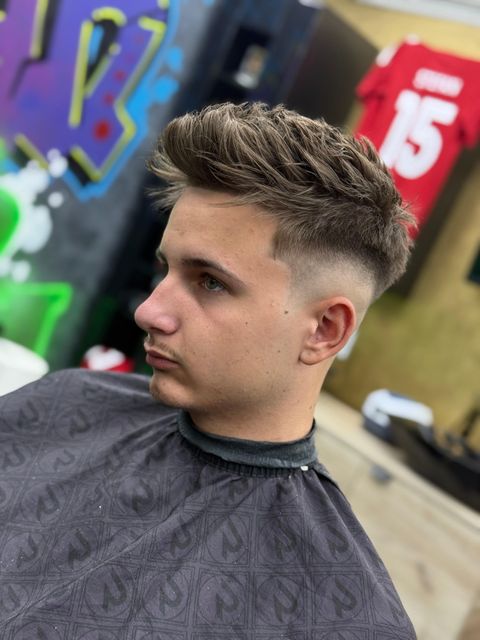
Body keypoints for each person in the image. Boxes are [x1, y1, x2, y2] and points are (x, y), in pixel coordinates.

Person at [0, 102, 417, 638]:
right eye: (166, 269)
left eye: (211, 283)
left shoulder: (344, 617)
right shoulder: (63, 405)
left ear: (324, 330)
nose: (149, 311)